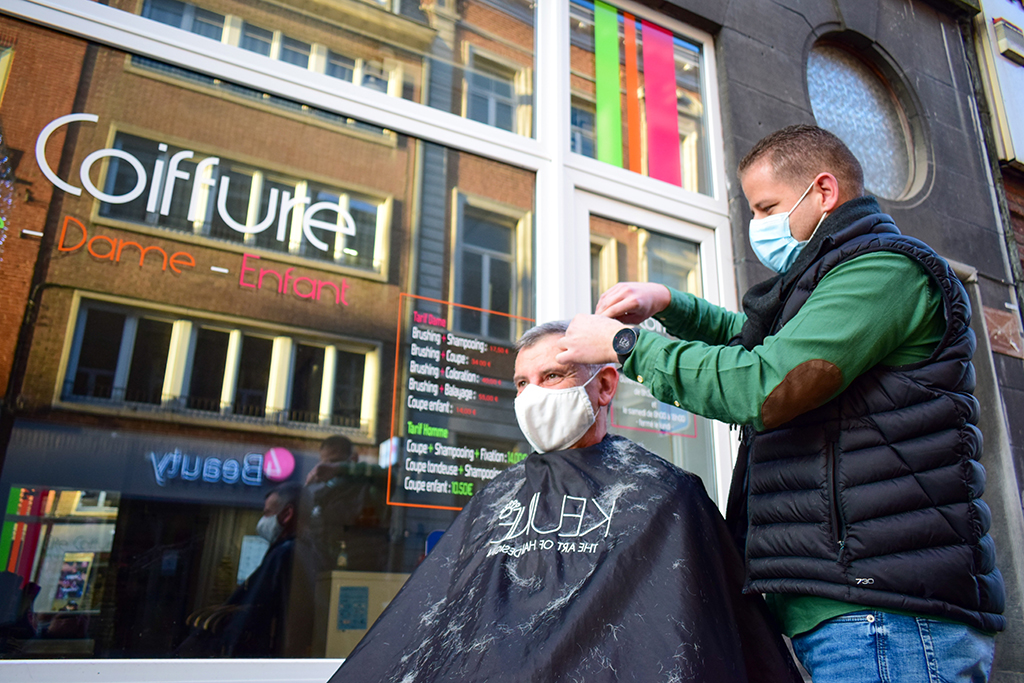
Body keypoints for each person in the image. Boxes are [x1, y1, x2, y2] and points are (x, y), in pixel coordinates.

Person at [558, 125, 1005, 681]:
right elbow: (760, 342)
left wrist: (627, 346)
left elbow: (766, 382)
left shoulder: (885, 270)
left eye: (766, 207)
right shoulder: (828, 279)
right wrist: (670, 304)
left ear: (822, 192)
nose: (757, 226)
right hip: (855, 606)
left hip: (886, 613)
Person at [329, 321, 802, 683]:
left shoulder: (665, 495)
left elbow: (691, 640)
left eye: (551, 375)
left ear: (605, 386)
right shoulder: (496, 498)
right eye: (521, 383)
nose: (531, 396)